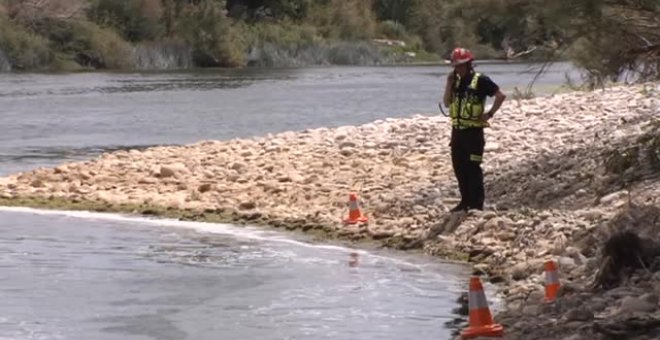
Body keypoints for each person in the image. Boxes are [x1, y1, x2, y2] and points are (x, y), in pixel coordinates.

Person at [441, 47, 506, 212]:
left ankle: (477, 204)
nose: (458, 69)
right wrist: (448, 83)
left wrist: (489, 114)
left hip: (474, 134)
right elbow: (447, 103)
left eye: (461, 65)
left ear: (469, 64)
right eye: (456, 66)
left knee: (473, 167)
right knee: (459, 167)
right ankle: (464, 201)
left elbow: (501, 95)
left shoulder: (481, 80)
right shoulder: (454, 82)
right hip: (457, 132)